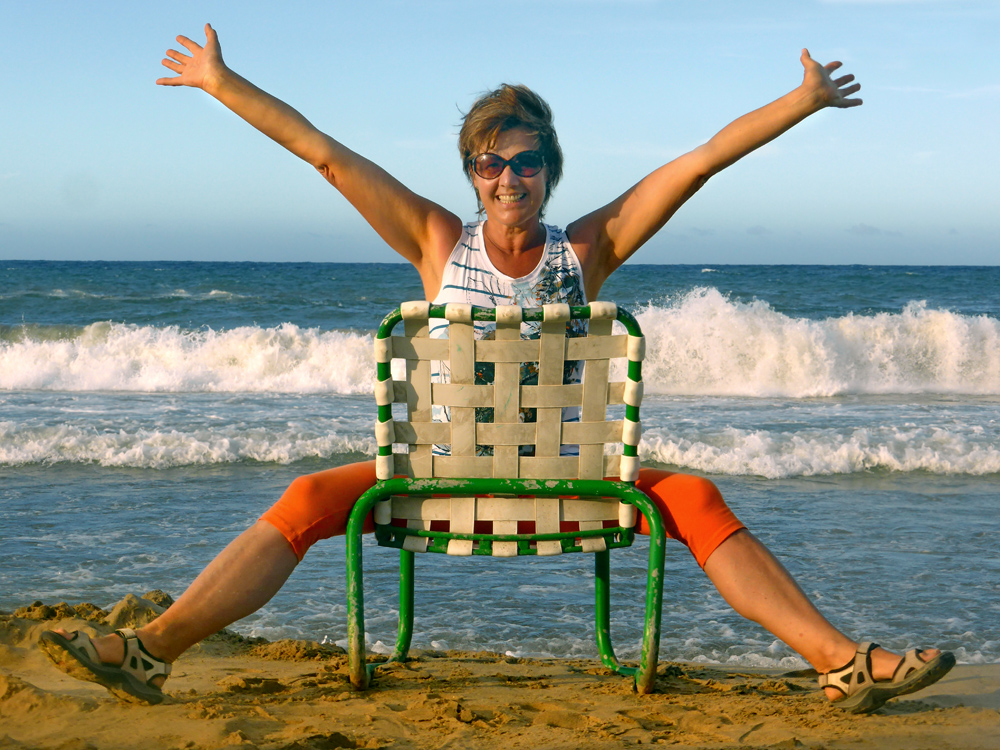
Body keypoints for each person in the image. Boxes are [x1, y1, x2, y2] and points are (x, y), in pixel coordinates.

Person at [41, 23, 954, 713]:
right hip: (439, 481)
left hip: (576, 485)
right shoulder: (438, 240)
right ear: (472, 173)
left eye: (525, 162)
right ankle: (151, 651)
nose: (508, 177)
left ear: (550, 172)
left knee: (700, 497)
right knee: (310, 497)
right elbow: (324, 156)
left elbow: (699, 164)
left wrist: (800, 103)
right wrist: (220, 81)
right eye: (491, 163)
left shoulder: (586, 247)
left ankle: (843, 663)